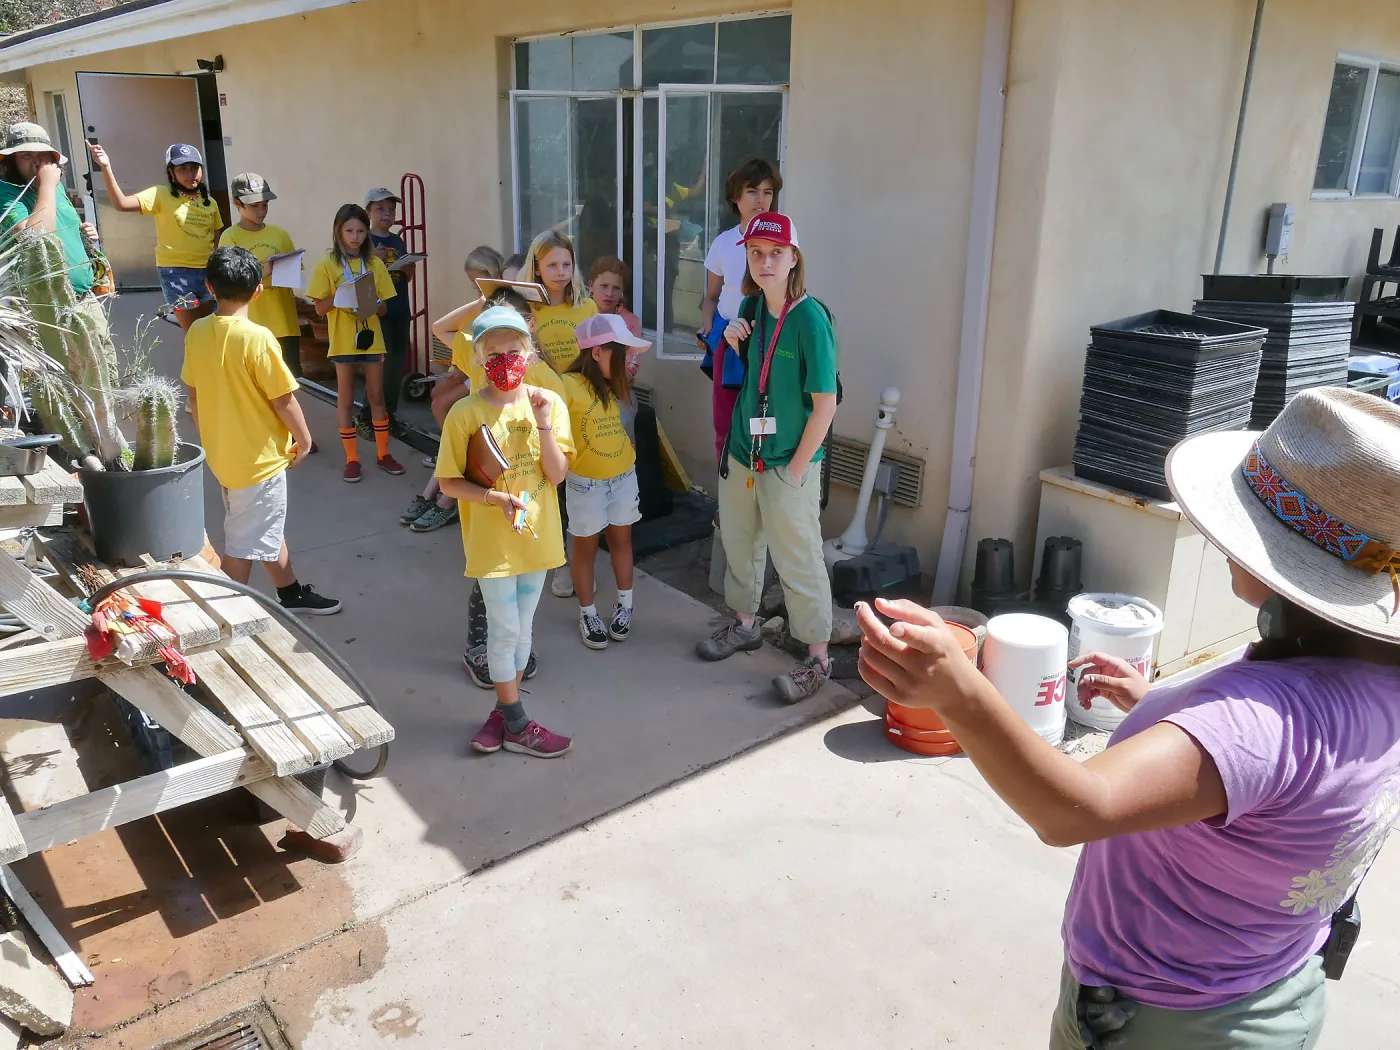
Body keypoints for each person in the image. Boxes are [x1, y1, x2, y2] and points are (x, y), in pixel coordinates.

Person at [856, 386, 1400, 1049]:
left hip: (1157, 1020)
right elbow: (1282, 787)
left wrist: (959, 691)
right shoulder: (1372, 683)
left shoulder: (1259, 719)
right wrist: (1161, 712)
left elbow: (1075, 811)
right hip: (1272, 992)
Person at [696, 212, 838, 705]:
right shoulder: (755, 308)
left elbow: (825, 405)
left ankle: (818, 657)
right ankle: (744, 624)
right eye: (756, 252)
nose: (765, 261)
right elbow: (743, 375)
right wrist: (733, 332)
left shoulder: (810, 319)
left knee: (798, 559)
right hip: (743, 454)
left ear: (794, 257)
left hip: (786, 462)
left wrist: (797, 470)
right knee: (740, 543)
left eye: (776, 252)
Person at [435, 306, 574, 759]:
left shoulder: (546, 402)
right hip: (492, 544)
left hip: (538, 539)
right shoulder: (464, 412)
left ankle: (502, 712)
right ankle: (517, 723)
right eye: (493, 352)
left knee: (524, 631)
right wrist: (493, 499)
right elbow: (450, 481)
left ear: (529, 353)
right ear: (478, 358)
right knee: (504, 628)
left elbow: (557, 475)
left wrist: (545, 423)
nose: (504, 360)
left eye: (513, 350)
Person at [180, 246, 339, 614]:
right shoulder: (257, 337)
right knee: (243, 542)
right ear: (258, 291)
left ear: (208, 286)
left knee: (259, 527)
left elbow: (194, 396)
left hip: (225, 456)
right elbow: (283, 399)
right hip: (259, 460)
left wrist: (211, 435)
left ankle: (291, 592)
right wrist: (304, 439)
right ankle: (222, 613)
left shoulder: (197, 332)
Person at [403, 246, 508, 530]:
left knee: (458, 440)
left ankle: (445, 503)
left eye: (479, 281)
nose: (476, 288)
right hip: (476, 386)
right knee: (453, 434)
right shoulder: (482, 309)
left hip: (491, 401)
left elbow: (444, 329)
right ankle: (432, 496)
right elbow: (446, 332)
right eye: (473, 283)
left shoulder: (505, 315)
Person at [562, 313, 649, 649]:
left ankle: (625, 606)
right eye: (622, 351)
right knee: (584, 548)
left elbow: (625, 425)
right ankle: (587, 613)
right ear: (596, 352)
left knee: (622, 542)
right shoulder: (567, 385)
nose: (629, 359)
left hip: (623, 478)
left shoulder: (619, 384)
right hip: (585, 483)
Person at [519, 230, 598, 599]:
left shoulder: (586, 305)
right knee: (541, 487)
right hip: (533, 412)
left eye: (567, 264)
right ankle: (544, 558)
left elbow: (599, 356)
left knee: (576, 491)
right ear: (535, 267)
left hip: (579, 410)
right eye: (551, 264)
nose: (561, 271)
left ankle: (570, 562)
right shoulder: (523, 307)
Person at [305, 203, 402, 483]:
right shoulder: (327, 264)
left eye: (360, 231)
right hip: (343, 342)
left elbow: (385, 309)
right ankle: (352, 458)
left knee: (376, 397)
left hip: (371, 341)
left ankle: (383, 453)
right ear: (338, 231)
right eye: (349, 230)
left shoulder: (375, 263)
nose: (355, 236)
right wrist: (340, 294)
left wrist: (369, 301)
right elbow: (320, 309)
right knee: (345, 399)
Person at [88, 141, 221, 334]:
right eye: (182, 169)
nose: (190, 174)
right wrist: (105, 167)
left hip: (207, 271)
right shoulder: (161, 194)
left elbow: (216, 240)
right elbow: (121, 204)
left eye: (194, 168)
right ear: (171, 173)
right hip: (178, 273)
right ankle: (197, 363)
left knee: (211, 329)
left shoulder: (211, 203)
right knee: (194, 333)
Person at [698, 157, 781, 462]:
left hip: (769, 342)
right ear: (735, 197)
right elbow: (710, 297)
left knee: (764, 420)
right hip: (728, 341)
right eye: (752, 191)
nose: (761, 199)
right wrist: (707, 328)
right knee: (727, 419)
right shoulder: (723, 244)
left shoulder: (783, 241)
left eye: (768, 192)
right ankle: (729, 492)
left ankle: (760, 486)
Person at [0, 123, 105, 327]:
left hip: (83, 297)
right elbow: (37, 240)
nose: (37, 162)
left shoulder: (55, 188)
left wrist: (85, 233)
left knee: (104, 359)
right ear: (12, 161)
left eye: (43, 154)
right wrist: (47, 185)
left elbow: (64, 225)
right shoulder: (6, 193)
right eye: (27, 155)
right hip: (44, 308)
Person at [217, 174, 308, 386]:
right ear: (237, 204)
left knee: (289, 383)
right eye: (254, 205)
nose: (261, 211)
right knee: (257, 385)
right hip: (251, 325)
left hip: (284, 323)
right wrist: (264, 270)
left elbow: (297, 272)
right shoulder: (230, 237)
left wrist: (288, 269)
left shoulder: (280, 235)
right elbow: (230, 283)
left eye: (265, 204)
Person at [357, 188, 416, 440]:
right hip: (378, 314)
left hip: (401, 308)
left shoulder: (397, 240)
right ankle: (365, 417)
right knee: (379, 368)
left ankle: (388, 417)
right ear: (368, 212)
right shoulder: (362, 241)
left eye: (392, 209)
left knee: (395, 368)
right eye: (381, 209)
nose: (388, 214)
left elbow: (405, 280)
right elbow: (359, 281)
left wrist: (408, 268)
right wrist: (373, 260)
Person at [586, 256, 644, 441]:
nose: (609, 293)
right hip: (581, 389)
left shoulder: (631, 322)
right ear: (591, 285)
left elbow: (630, 367)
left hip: (617, 391)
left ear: (622, 292)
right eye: (604, 286)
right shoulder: (578, 315)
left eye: (616, 288)